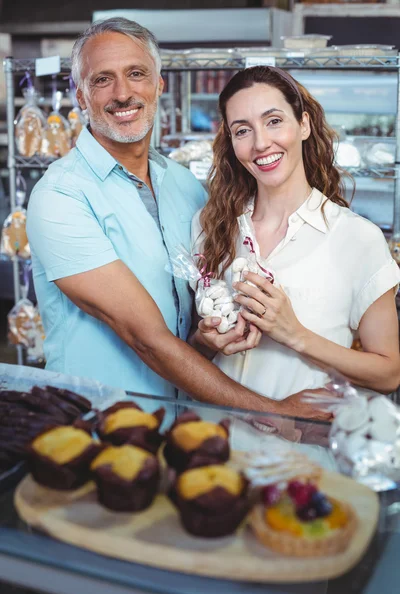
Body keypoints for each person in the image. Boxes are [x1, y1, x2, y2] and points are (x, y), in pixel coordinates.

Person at [26, 19, 326, 420]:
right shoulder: (60, 197)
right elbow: (146, 338)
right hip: (97, 428)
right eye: (102, 80)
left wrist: (205, 338)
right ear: (80, 95)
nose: (123, 93)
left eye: (137, 74)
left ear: (159, 84)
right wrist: (274, 412)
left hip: (182, 420)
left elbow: (185, 321)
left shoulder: (183, 184)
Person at [191, 66, 400, 404]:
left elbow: (388, 374)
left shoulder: (358, 238)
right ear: (230, 141)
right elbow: (188, 354)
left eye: (274, 121)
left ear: (303, 124)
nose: (261, 143)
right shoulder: (208, 224)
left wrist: (294, 334)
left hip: (301, 450)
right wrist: (204, 341)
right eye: (242, 130)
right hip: (213, 440)